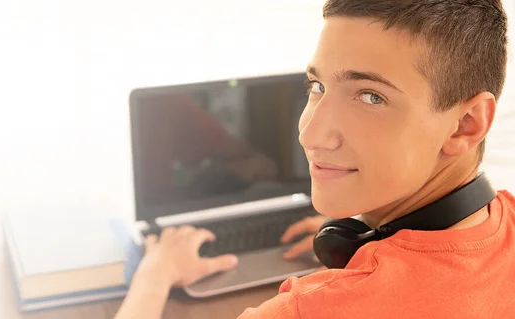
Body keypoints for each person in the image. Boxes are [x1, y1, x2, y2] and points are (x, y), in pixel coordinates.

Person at [114, 0, 515, 318]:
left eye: (370, 96)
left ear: (465, 124)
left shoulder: (306, 311)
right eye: (317, 85)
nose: (308, 133)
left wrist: (155, 275)